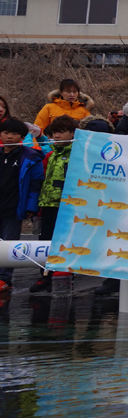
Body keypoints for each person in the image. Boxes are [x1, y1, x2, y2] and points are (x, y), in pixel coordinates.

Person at [27, 115, 77, 293]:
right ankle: (45, 274)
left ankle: (65, 274)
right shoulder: (51, 154)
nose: (57, 136)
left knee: (66, 241)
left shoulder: (77, 155)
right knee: (46, 240)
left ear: (72, 133)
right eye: (54, 132)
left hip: (68, 205)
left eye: (61, 132)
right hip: (48, 203)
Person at [0, 118, 44, 292]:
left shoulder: (30, 156)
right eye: (6, 132)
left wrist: (31, 207)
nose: (10, 137)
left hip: (13, 208)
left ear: (21, 136)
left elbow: (35, 184)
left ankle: (5, 279)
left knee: (9, 243)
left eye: (14, 133)